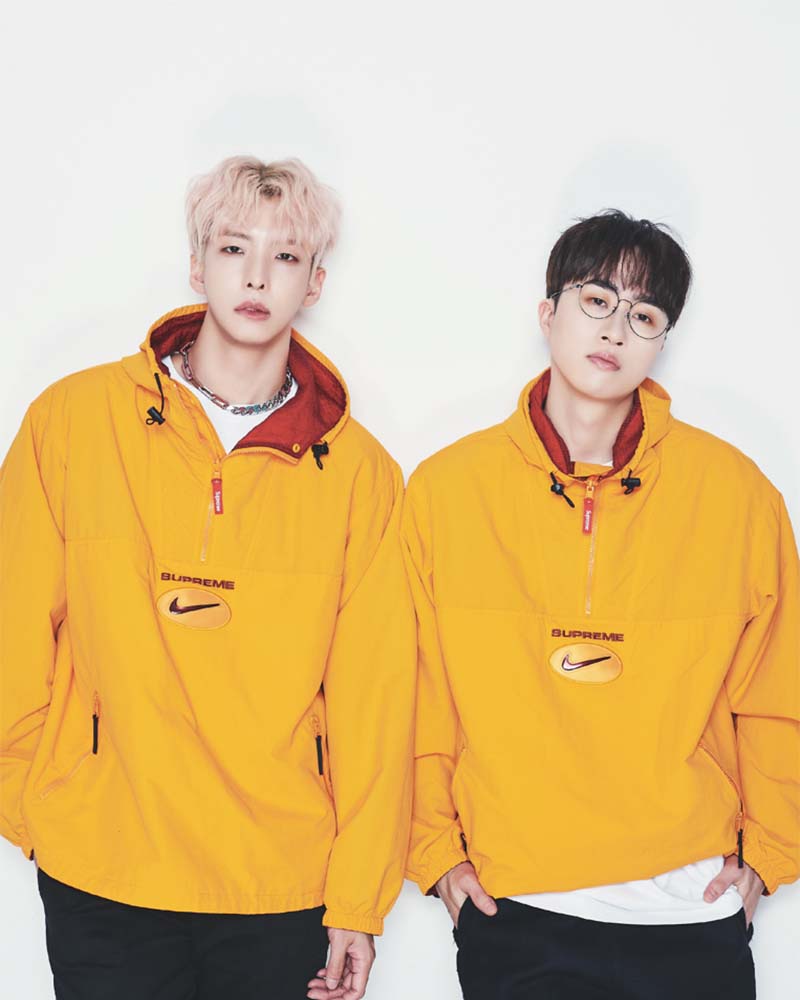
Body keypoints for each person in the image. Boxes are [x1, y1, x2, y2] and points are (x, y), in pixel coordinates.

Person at [0, 154, 415, 1000]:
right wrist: (36, 805)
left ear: (315, 282)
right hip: (103, 870)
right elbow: (11, 625)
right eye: (234, 248)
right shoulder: (73, 422)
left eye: (285, 255)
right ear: (197, 266)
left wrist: (359, 898)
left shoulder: (361, 476)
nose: (257, 276)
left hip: (279, 881)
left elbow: (376, 700)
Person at [401, 210, 799, 999]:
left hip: (692, 908)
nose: (616, 328)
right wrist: (435, 854)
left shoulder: (738, 496)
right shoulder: (446, 492)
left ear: (662, 341)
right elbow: (415, 691)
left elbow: (776, 691)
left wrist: (771, 852)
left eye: (644, 315)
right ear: (547, 313)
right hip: (517, 904)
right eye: (596, 300)